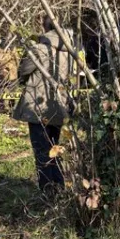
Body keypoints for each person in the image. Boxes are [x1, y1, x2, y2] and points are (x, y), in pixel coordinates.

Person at [12, 17, 74, 193]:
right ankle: (59, 187)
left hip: (38, 108)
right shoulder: (70, 51)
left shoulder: (39, 49)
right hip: (60, 105)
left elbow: (23, 70)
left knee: (41, 150)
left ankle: (47, 191)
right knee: (54, 148)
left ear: (44, 28)